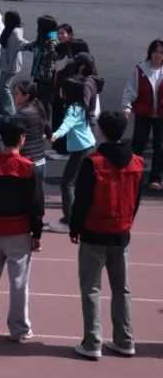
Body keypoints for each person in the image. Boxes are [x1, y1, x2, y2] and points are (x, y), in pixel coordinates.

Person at [69, 110, 143, 360]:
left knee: (91, 288)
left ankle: (92, 342)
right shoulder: (137, 162)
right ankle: (125, 338)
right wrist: (127, 222)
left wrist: (74, 228)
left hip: (94, 232)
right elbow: (136, 200)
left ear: (101, 131)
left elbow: (82, 200)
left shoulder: (93, 162)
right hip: (121, 231)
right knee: (121, 288)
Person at [0, 115, 44, 342]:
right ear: (22, 138)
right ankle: (19, 329)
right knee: (19, 283)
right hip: (19, 232)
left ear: (2, 138)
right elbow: (36, 206)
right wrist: (37, 233)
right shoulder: (29, 169)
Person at [48, 78, 97, 234]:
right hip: (88, 146)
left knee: (67, 183)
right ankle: (77, 214)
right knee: (79, 182)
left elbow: (67, 124)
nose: (60, 93)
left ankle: (70, 218)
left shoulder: (73, 109)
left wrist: (56, 135)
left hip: (81, 150)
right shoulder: (81, 106)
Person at [121, 39, 163, 191]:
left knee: (160, 146)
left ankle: (155, 178)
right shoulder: (140, 69)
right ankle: (133, 173)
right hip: (143, 113)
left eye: (161, 52)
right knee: (138, 144)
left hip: (161, 115)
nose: (158, 55)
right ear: (150, 52)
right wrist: (126, 107)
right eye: (155, 51)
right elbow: (130, 89)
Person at [13, 81, 52, 193]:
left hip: (27, 164)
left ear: (26, 96)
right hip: (41, 162)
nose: (14, 96)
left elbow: (8, 130)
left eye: (16, 94)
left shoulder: (21, 115)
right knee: (38, 197)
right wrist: (50, 136)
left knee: (23, 198)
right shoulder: (38, 107)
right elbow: (47, 127)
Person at [24, 15, 59, 121]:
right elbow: (31, 46)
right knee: (40, 101)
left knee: (45, 102)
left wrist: (44, 51)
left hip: (47, 76)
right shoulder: (44, 38)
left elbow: (54, 55)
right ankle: (42, 122)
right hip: (41, 74)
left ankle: (45, 124)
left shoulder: (51, 40)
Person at [0, 11, 28, 116]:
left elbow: (21, 43)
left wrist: (30, 45)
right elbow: (3, 39)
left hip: (11, 64)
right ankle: (1, 105)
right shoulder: (9, 30)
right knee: (2, 86)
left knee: (4, 87)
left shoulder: (14, 32)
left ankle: (11, 110)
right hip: (7, 63)